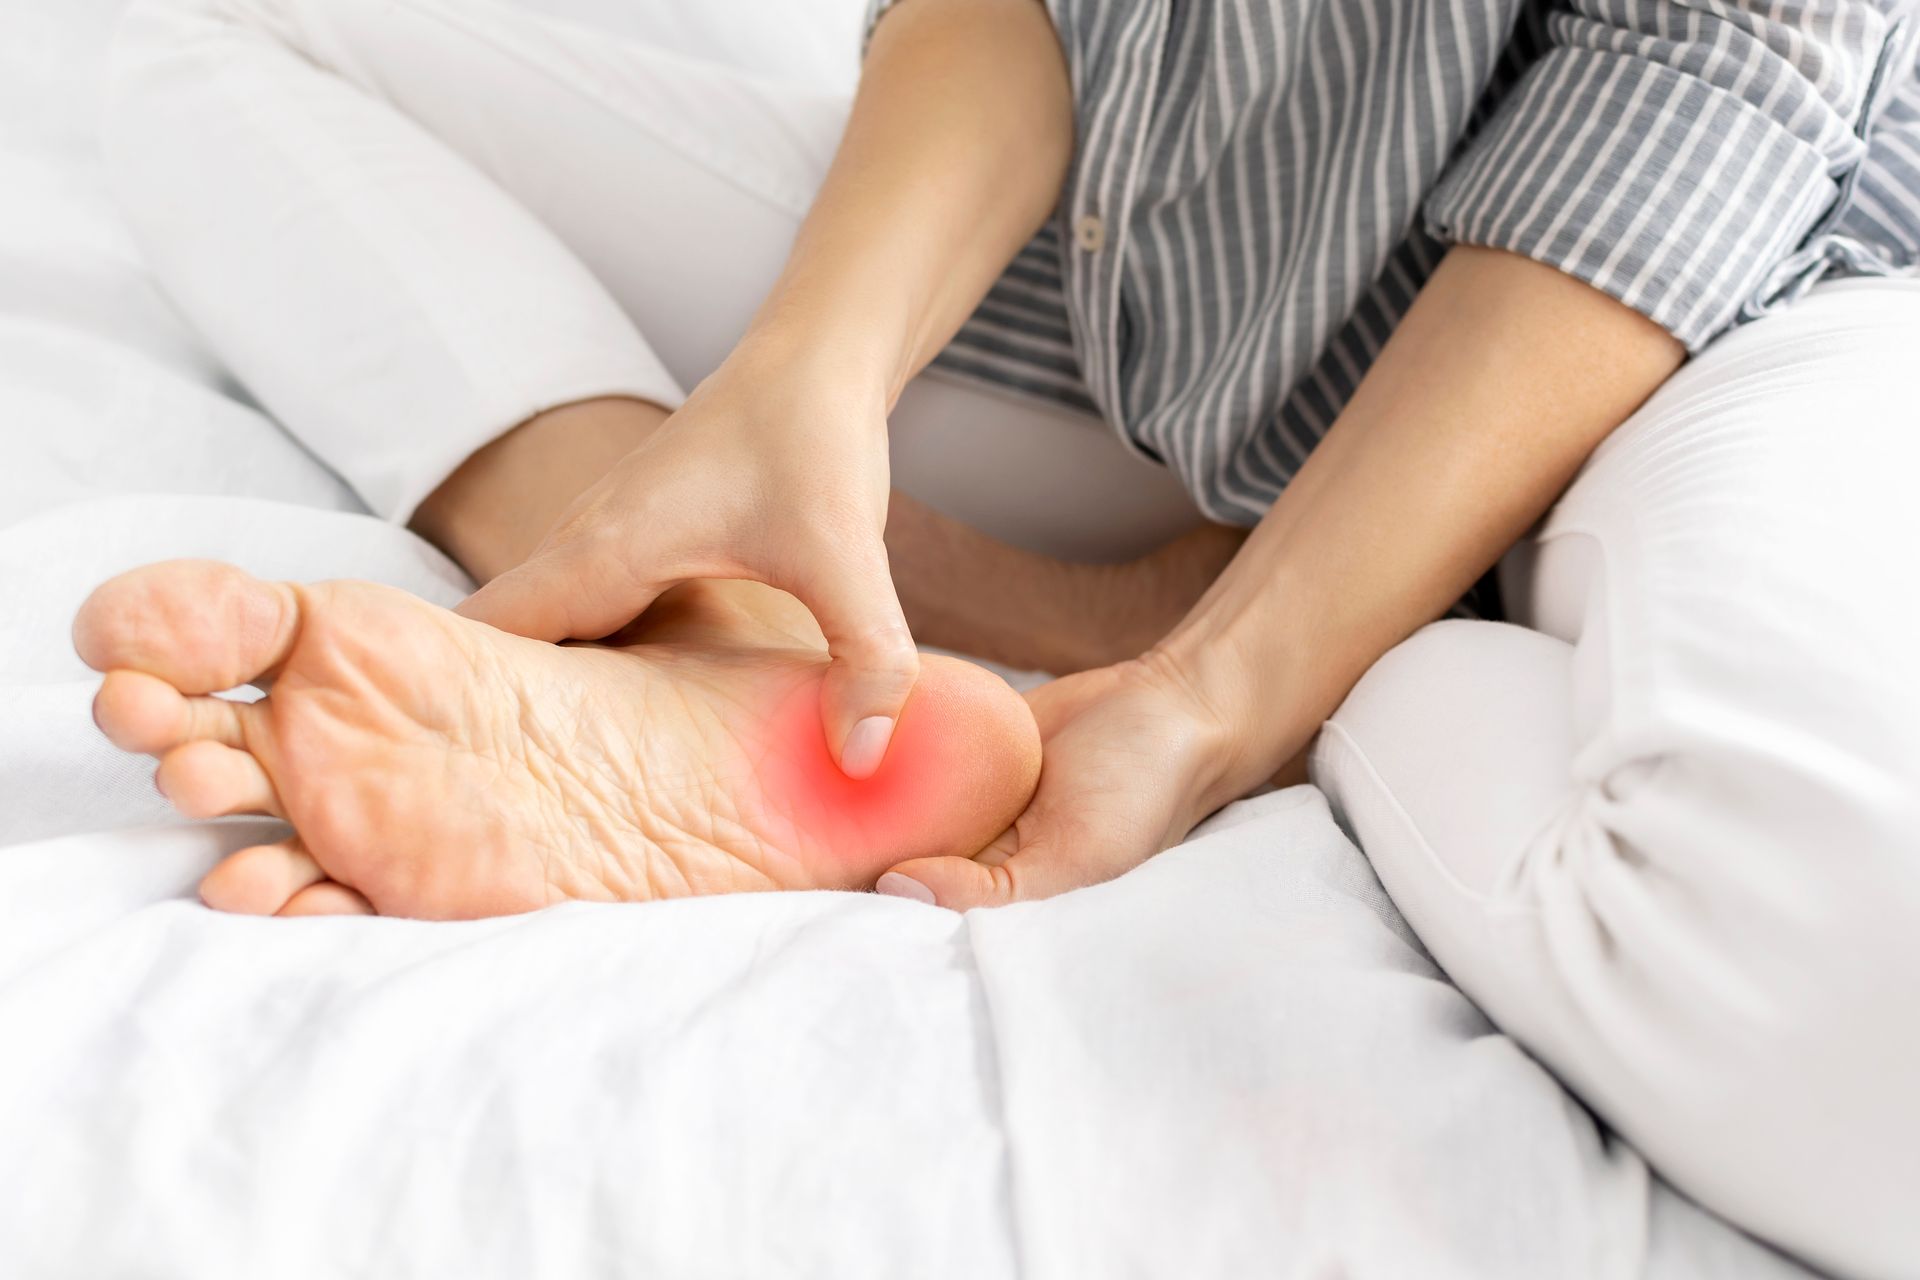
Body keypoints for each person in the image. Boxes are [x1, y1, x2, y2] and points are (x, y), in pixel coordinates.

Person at [86, 1, 1920, 1271]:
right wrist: (813, 373)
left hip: (1730, 310)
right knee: (220, 39)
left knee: (1855, 1049)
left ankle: (1340, 624)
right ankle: (712, 623)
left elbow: (1710, 81)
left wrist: (1223, 693)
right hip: (1164, 289)